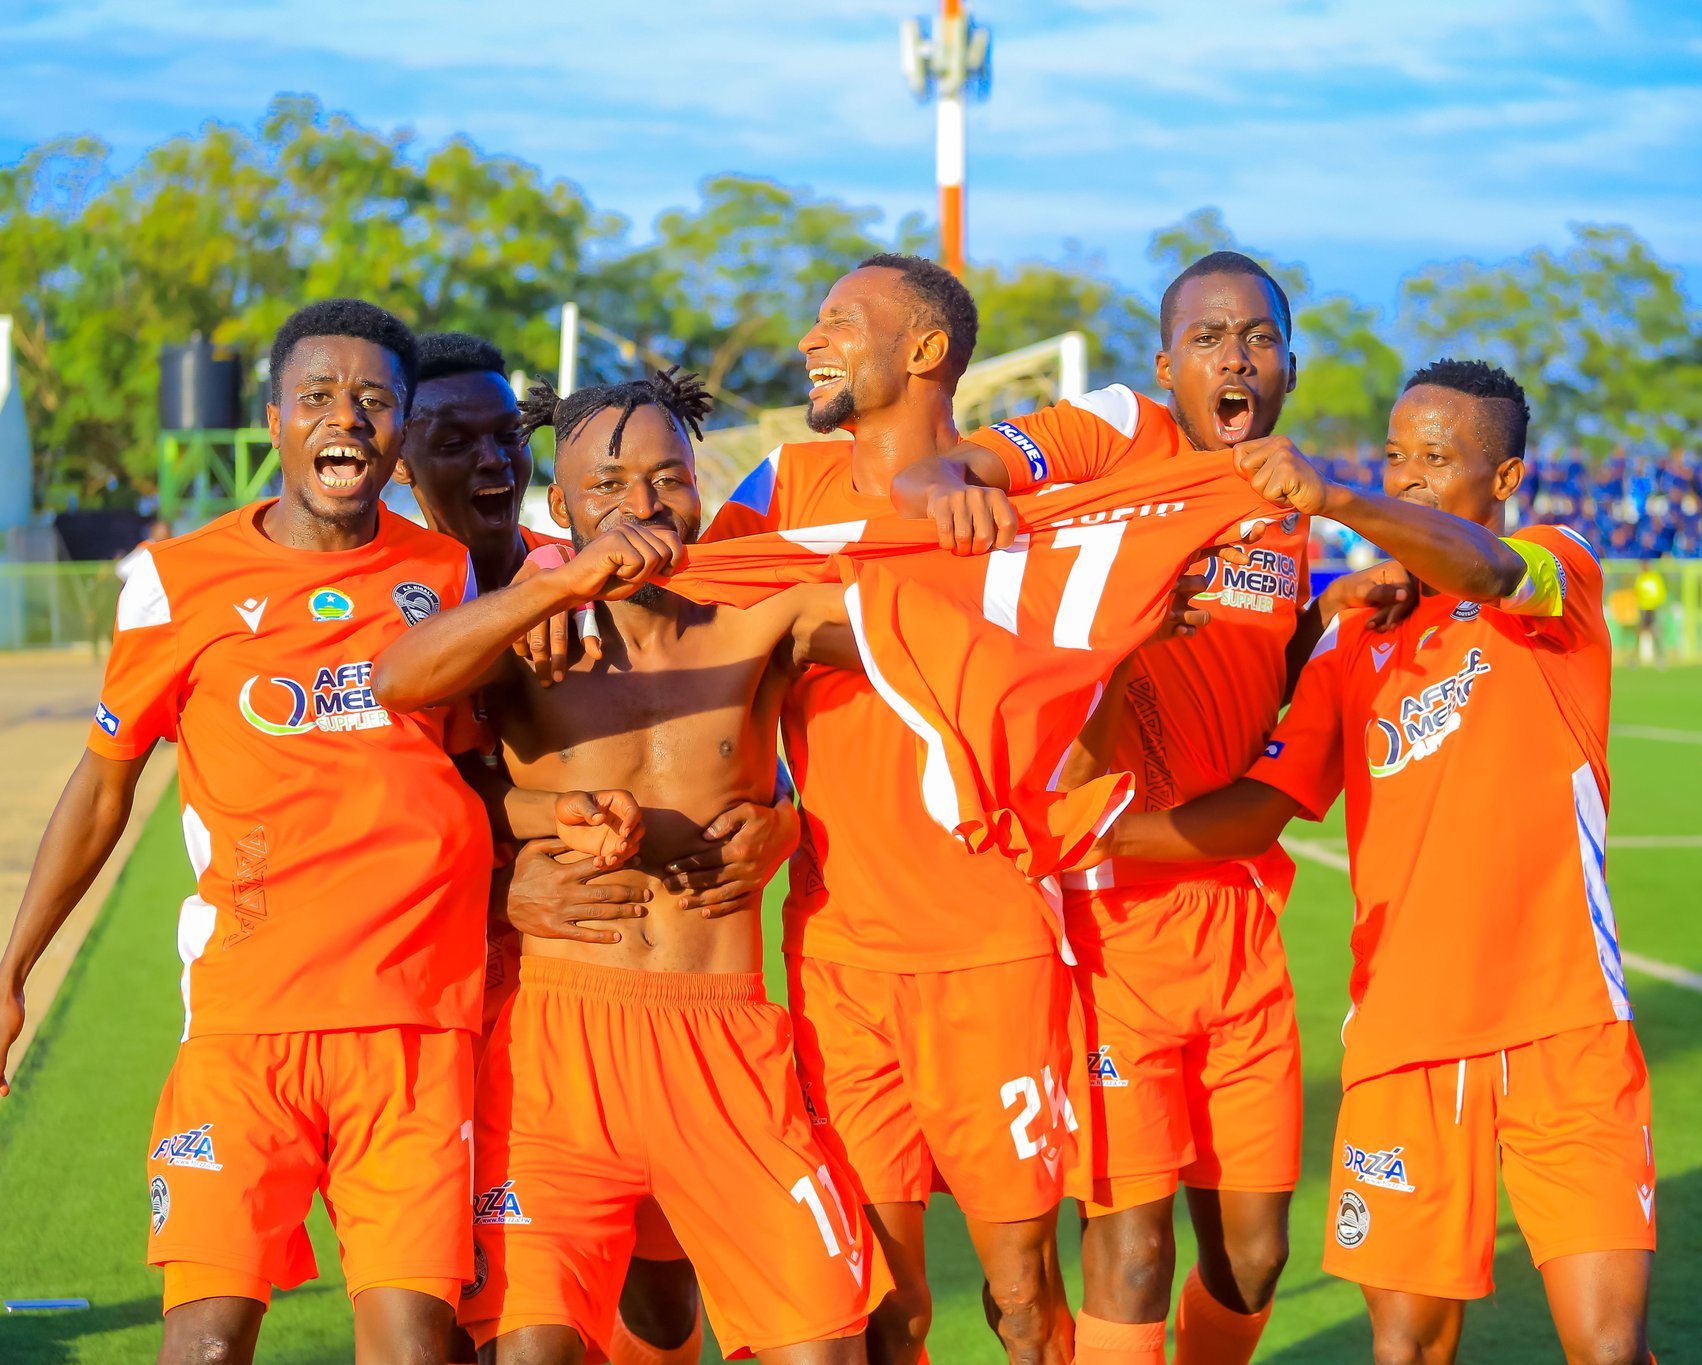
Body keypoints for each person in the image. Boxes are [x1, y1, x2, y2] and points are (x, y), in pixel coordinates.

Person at [0, 300, 639, 1365]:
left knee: (413, 1346)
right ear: (274, 420)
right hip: (249, 1023)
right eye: (318, 398)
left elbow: (472, 775)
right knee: (205, 1344)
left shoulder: (444, 579)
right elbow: (104, 786)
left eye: (373, 401)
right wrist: (15, 965)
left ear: (394, 432)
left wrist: (539, 836)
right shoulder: (177, 581)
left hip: (413, 1025)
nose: (345, 417)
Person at [1080, 360, 1658, 1365]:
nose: (1409, 476)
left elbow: (1489, 572)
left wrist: (1342, 500)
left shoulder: (1555, 573)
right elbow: (1261, 811)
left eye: (1435, 460)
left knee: (1605, 1348)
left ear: (1505, 478)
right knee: (1406, 1349)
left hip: (1564, 1028)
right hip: (1401, 1041)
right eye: (1395, 457)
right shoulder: (1355, 635)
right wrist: (1089, 834)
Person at [888, 251, 1370, 1365]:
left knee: (1252, 1259)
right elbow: (939, 472)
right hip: (1109, 917)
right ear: (1165, 363)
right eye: (1206, 339)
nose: (1233, 357)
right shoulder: (1116, 429)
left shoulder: (1286, 504)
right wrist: (967, 511)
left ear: (1287, 367)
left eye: (1255, 338)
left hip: (1239, 912)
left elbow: (1261, 683)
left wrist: (1323, 617)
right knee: (1132, 1250)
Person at [373, 369, 883, 1364]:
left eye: (668, 478)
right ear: (557, 509)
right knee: (533, 1351)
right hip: (558, 1048)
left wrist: (787, 811)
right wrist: (558, 582)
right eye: (608, 487)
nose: (643, 509)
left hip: (726, 1038)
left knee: (818, 1347)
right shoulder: (528, 627)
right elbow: (399, 683)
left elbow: (925, 645)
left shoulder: (763, 613)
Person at [690, 255, 1080, 1364]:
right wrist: (767, 796)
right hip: (836, 953)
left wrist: (837, 622)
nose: (811, 340)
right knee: (884, 1307)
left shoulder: (1015, 514)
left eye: (838, 323)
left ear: (921, 352)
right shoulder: (779, 488)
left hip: (985, 948)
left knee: (1019, 1300)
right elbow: (708, 652)